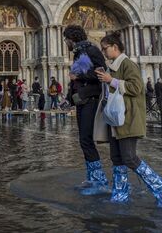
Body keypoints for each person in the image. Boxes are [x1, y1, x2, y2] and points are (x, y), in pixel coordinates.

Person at [95, 32, 162, 207]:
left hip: (128, 119)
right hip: (115, 121)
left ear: (115, 47)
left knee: (130, 157)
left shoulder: (128, 64)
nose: (103, 52)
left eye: (105, 48)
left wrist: (112, 80)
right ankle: (120, 193)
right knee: (116, 158)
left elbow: (136, 88)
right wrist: (107, 79)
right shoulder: (113, 67)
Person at [63, 24, 108, 195]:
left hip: (91, 100)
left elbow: (102, 73)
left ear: (72, 38)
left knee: (87, 139)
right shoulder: (80, 53)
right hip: (82, 101)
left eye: (66, 39)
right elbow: (77, 81)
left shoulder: (91, 50)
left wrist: (79, 75)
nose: (66, 42)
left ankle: (99, 181)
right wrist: (69, 97)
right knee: (84, 140)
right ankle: (92, 178)